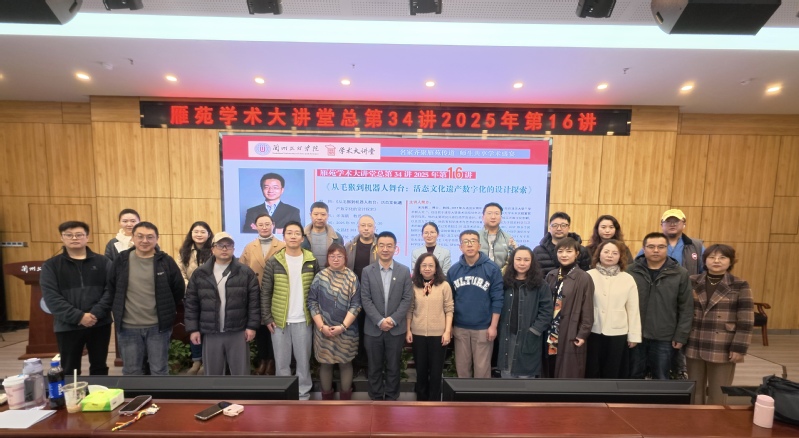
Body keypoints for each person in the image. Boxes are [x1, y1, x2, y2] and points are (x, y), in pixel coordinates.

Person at [107, 222, 185, 375]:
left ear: (157, 239)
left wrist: (166, 309)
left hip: (158, 327)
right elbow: (111, 287)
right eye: (140, 236)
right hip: (128, 326)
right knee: (131, 371)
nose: (145, 241)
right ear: (133, 238)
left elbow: (178, 289)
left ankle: (158, 393)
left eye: (150, 237)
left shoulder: (165, 261)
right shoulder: (121, 260)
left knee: (159, 370)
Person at [41, 221, 112, 376]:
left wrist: (95, 314)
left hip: (99, 323)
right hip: (67, 325)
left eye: (79, 234)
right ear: (62, 238)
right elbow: (51, 297)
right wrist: (79, 317)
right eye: (69, 235)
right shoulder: (51, 265)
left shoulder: (103, 262)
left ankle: (99, 392)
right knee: (69, 369)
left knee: (99, 367)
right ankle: (72, 393)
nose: (74, 238)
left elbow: (111, 291)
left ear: (87, 237)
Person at [184, 232, 260, 376]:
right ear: (212, 249)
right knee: (213, 375)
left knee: (241, 374)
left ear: (233, 249)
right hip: (211, 331)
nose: (224, 249)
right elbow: (192, 304)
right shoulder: (200, 273)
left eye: (228, 245)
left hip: (238, 330)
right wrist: (193, 329)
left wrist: (251, 326)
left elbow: (254, 303)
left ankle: (240, 393)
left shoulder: (245, 272)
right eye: (220, 245)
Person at [686, 244, 753, 405]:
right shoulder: (692, 281)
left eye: (722, 257)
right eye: (712, 257)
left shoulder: (739, 284)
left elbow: (746, 319)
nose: (716, 261)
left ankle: (715, 419)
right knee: (694, 389)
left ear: (730, 261)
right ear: (704, 260)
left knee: (719, 391)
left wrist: (739, 348)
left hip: (723, 344)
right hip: (695, 341)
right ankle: (694, 418)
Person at [261, 221, 320, 400]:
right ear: (284, 236)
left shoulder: (311, 260)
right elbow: (266, 292)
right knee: (281, 363)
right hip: (279, 321)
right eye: (289, 233)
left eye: (297, 233)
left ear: (302, 238)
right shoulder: (274, 261)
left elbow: (317, 291)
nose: (293, 236)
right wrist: (267, 318)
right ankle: (284, 395)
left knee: (303, 362)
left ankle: (303, 394)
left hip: (304, 319)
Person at [627, 232, 692, 380]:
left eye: (661, 247)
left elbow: (686, 307)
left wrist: (681, 335)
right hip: (635, 334)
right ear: (644, 248)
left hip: (665, 336)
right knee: (633, 376)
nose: (656, 250)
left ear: (667, 248)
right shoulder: (630, 271)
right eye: (651, 247)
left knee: (662, 377)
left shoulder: (680, 273)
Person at [360, 231, 413, 401]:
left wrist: (393, 319)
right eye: (381, 245)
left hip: (395, 329)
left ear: (395, 248)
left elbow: (407, 299)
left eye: (389, 246)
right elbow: (365, 299)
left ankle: (391, 398)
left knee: (393, 367)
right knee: (374, 367)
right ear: (376, 248)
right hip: (373, 328)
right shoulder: (367, 271)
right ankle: (375, 398)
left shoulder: (404, 271)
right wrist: (380, 320)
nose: (385, 249)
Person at [447, 230, 503, 378]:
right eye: (466, 242)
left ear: (479, 245)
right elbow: (449, 302)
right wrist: (450, 326)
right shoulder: (453, 270)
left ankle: (482, 395)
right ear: (460, 247)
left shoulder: (492, 269)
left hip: (483, 328)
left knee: (482, 371)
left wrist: (493, 326)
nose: (470, 245)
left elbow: (498, 299)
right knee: (462, 370)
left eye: (473, 241)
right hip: (460, 327)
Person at [307, 244, 361, 400]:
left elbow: (356, 305)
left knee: (346, 363)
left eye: (339, 256)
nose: (335, 259)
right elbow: (312, 302)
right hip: (323, 330)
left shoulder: (352, 277)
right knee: (325, 363)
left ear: (345, 258)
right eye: (332, 256)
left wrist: (343, 327)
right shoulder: (320, 276)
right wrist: (321, 326)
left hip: (347, 331)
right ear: (327, 258)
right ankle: (327, 403)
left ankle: (345, 401)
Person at [585, 240, 641, 379]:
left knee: (613, 371)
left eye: (614, 253)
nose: (610, 255)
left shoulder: (628, 279)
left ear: (620, 256)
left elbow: (633, 309)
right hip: (593, 330)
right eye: (606, 252)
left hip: (618, 332)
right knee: (592, 370)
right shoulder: (588, 275)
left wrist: (634, 335)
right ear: (599, 254)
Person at [239, 212, 285, 375]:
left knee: (274, 328)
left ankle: (272, 361)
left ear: (273, 225)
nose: (264, 227)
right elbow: (242, 270)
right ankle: (263, 360)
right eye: (261, 224)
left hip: (277, 294)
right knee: (260, 329)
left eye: (267, 224)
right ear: (255, 226)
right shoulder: (249, 247)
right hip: (256, 294)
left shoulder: (282, 246)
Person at [497, 246, 552, 379]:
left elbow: (547, 311)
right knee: (506, 374)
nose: (522, 263)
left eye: (526, 260)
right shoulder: (504, 283)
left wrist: (534, 330)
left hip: (529, 335)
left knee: (525, 378)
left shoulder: (541, 284)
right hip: (507, 335)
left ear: (532, 262)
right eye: (518, 259)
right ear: (512, 261)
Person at [542, 237, 594, 378]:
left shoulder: (584, 277)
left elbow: (588, 308)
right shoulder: (551, 275)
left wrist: (583, 333)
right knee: (550, 367)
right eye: (560, 251)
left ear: (577, 254)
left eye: (569, 251)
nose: (564, 255)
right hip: (551, 331)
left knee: (568, 370)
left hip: (571, 331)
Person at [406, 253, 453, 401]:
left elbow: (449, 309)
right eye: (424, 265)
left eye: (431, 265)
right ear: (419, 268)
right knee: (420, 372)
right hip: (418, 334)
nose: (427, 268)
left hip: (438, 335)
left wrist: (447, 331)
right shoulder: (413, 286)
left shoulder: (444, 285)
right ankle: (421, 403)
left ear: (436, 268)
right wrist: (408, 330)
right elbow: (410, 309)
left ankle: (434, 404)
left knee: (436, 373)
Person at [176, 221, 214, 375]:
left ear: (209, 234)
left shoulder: (213, 251)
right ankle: (196, 361)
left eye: (203, 232)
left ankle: (207, 361)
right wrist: (190, 288)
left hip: (210, 297)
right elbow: (180, 273)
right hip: (190, 296)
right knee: (194, 328)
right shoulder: (184, 251)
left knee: (208, 329)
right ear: (191, 234)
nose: (199, 234)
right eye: (196, 231)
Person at [533, 212, 591, 276]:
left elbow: (586, 275)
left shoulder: (581, 250)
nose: (559, 229)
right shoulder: (538, 251)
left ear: (569, 227)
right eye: (555, 225)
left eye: (563, 225)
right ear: (550, 227)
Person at [301, 201, 344, 268]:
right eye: (316, 214)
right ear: (310, 215)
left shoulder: (337, 238)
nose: (319, 218)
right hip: (308, 273)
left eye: (323, 214)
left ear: (328, 216)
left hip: (330, 273)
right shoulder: (302, 236)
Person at [478, 202, 516, 269]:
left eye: (496, 213)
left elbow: (512, 261)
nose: (493, 217)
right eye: (489, 213)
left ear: (501, 217)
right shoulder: (476, 237)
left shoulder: (508, 238)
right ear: (483, 217)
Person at [345, 214, 378, 279]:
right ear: (358, 228)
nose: (366, 228)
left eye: (369, 226)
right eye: (363, 225)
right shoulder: (349, 246)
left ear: (374, 228)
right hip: (353, 283)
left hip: (374, 283)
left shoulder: (380, 246)